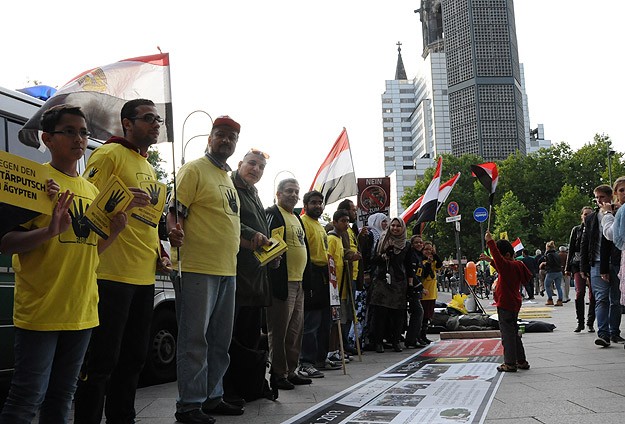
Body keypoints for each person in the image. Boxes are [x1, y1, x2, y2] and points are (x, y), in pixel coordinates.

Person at [0, 105, 128, 424]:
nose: (79, 138)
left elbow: (90, 251)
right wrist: (49, 231)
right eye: (69, 131)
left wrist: (114, 232)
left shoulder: (93, 191)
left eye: (83, 132)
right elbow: (6, 243)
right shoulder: (35, 182)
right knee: (26, 398)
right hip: (41, 310)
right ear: (48, 138)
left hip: (82, 310)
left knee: (62, 397)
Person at [74, 99, 176, 424]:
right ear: (127, 123)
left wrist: (160, 252)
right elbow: (84, 208)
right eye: (148, 119)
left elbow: (145, 221)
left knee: (134, 358)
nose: (156, 124)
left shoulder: (148, 166)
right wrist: (122, 201)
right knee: (102, 361)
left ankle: (123, 418)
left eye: (158, 119)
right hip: (110, 274)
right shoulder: (108, 154)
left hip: (144, 278)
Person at [166, 115, 244, 423]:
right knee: (194, 339)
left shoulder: (227, 178)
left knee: (219, 341)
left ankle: (213, 396)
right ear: (209, 138)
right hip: (196, 267)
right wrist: (174, 230)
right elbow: (174, 210)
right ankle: (189, 404)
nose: (226, 140)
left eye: (232, 137)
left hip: (228, 270)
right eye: (221, 134)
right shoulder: (193, 170)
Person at [223, 148, 276, 404]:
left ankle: (250, 387)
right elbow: (228, 220)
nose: (256, 169)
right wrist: (254, 235)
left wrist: (272, 252)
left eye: (261, 167)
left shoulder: (253, 192)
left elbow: (259, 232)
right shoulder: (229, 186)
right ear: (240, 163)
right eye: (252, 164)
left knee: (250, 337)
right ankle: (228, 390)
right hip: (234, 276)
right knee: (230, 339)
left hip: (255, 280)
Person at [266, 178, 311, 390]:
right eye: (289, 191)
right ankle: (278, 374)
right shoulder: (272, 213)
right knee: (279, 331)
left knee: (295, 331)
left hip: (299, 282)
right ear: (278, 193)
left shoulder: (297, 217)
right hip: (282, 283)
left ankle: (291, 370)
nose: (293, 195)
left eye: (296, 191)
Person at [299, 190, 337, 379]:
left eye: (320, 203)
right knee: (311, 323)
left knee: (325, 322)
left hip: (324, 277)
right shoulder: (303, 223)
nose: (317, 205)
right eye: (313, 202)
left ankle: (321, 358)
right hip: (311, 273)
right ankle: (306, 362)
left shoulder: (320, 226)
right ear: (305, 205)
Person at [580, 184, 623, 347]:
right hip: (596, 263)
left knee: (615, 300)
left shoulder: (619, 212)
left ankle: (614, 332)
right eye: (596, 197)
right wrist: (583, 267)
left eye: (602, 197)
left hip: (616, 261)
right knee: (601, 299)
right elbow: (585, 243)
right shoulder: (591, 218)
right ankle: (603, 333)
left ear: (610, 197)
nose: (598, 201)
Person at [484, 231, 532, 372]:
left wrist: (490, 241)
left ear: (505, 255)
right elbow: (501, 264)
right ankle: (521, 360)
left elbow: (500, 263)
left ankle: (510, 363)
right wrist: (490, 260)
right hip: (514, 303)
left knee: (507, 336)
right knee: (514, 333)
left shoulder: (507, 266)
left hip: (505, 303)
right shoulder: (517, 265)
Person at [369, 218, 414, 353]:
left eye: (398, 226)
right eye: (392, 225)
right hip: (382, 281)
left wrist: (411, 285)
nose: (395, 228)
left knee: (398, 314)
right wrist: (384, 255)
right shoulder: (382, 240)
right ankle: (378, 342)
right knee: (380, 313)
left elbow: (409, 266)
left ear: (402, 228)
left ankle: (396, 341)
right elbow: (373, 260)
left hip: (399, 283)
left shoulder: (406, 245)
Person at [599, 176, 625, 330]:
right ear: (616, 193)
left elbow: (611, 234)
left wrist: (608, 215)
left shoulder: (621, 211)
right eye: (622, 190)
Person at [566, 207, 595, 333]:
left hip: (592, 263)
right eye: (585, 214)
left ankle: (590, 322)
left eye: (589, 214)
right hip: (577, 264)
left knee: (593, 295)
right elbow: (571, 249)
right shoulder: (576, 230)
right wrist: (567, 268)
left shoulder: (595, 228)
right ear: (581, 216)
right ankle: (580, 322)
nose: (587, 217)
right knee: (579, 293)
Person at [418, 241, 443, 345]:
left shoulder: (433, 262)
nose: (428, 252)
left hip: (432, 294)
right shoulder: (422, 262)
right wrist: (428, 262)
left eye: (430, 249)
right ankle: (419, 336)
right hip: (424, 294)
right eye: (426, 249)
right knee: (422, 317)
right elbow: (425, 273)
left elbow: (440, 264)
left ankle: (424, 335)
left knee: (428, 316)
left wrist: (435, 254)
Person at [405, 235, 426, 348]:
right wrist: (419, 287)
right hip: (413, 289)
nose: (419, 244)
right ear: (412, 244)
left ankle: (416, 338)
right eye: (416, 243)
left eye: (420, 243)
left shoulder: (419, 256)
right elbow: (412, 273)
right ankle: (411, 340)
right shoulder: (412, 256)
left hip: (417, 289)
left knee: (418, 313)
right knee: (418, 312)